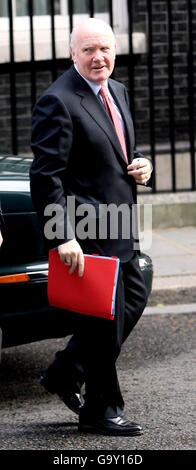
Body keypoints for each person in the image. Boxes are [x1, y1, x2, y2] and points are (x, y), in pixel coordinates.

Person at [30, 18, 152, 436]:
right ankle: (100, 409)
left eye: (105, 48)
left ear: (115, 49)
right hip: (88, 227)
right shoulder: (58, 101)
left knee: (132, 300)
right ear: (72, 54)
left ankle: (66, 371)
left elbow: (120, 149)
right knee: (105, 321)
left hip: (122, 225)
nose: (99, 57)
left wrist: (142, 164)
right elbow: (46, 177)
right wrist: (62, 234)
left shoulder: (116, 90)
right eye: (88, 50)